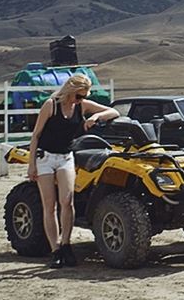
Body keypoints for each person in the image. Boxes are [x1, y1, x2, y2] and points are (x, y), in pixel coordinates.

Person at [27, 74, 119, 268]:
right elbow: (36, 136)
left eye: (83, 96)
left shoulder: (82, 105)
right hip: (45, 158)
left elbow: (113, 112)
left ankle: (67, 245)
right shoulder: (51, 105)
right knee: (49, 205)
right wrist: (31, 164)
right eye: (78, 95)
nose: (80, 100)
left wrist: (95, 116)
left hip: (66, 158)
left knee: (67, 202)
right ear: (70, 90)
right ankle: (56, 250)